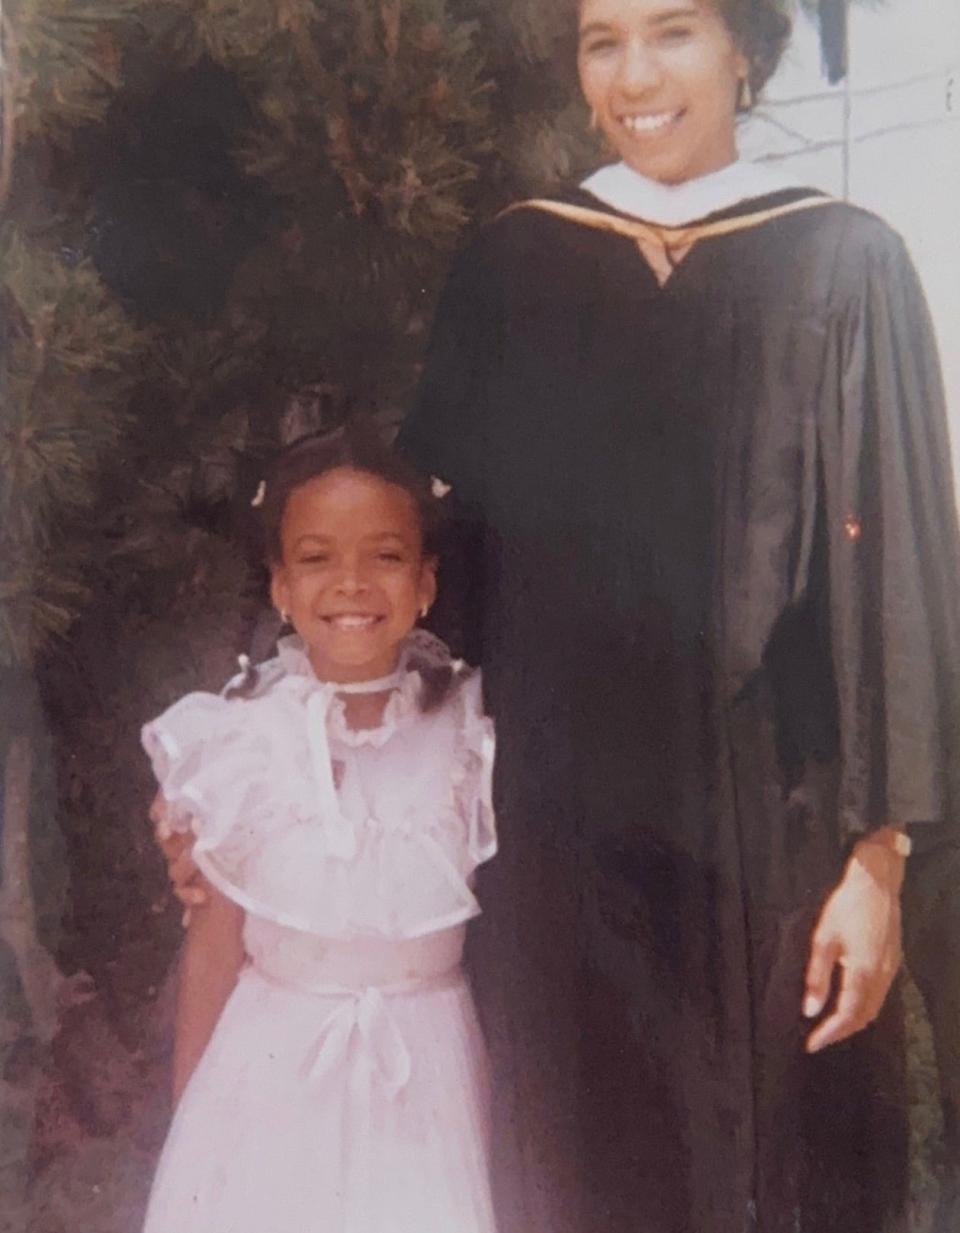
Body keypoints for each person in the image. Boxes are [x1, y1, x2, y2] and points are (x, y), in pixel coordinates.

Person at [394, 0, 960, 1230]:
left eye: (675, 33)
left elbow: (901, 579)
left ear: (746, 49)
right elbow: (434, 589)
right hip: (559, 847)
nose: (636, 75)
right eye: (603, 42)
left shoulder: (846, 261)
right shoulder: (511, 265)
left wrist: (880, 859)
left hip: (781, 844)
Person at [140, 426, 499, 1233]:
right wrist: (193, 1130)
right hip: (269, 1078)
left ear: (427, 582)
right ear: (279, 587)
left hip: (427, 1069)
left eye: (384, 556)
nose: (351, 583)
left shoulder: (472, 729)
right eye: (315, 557)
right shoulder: (240, 741)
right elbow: (214, 944)